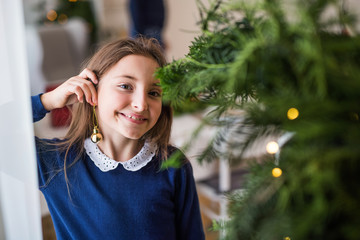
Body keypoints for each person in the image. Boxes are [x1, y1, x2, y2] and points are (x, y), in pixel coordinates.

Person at [31, 37, 205, 240]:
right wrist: (47, 100)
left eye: (154, 92)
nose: (141, 104)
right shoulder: (56, 163)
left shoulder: (174, 166)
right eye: (125, 86)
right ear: (93, 90)